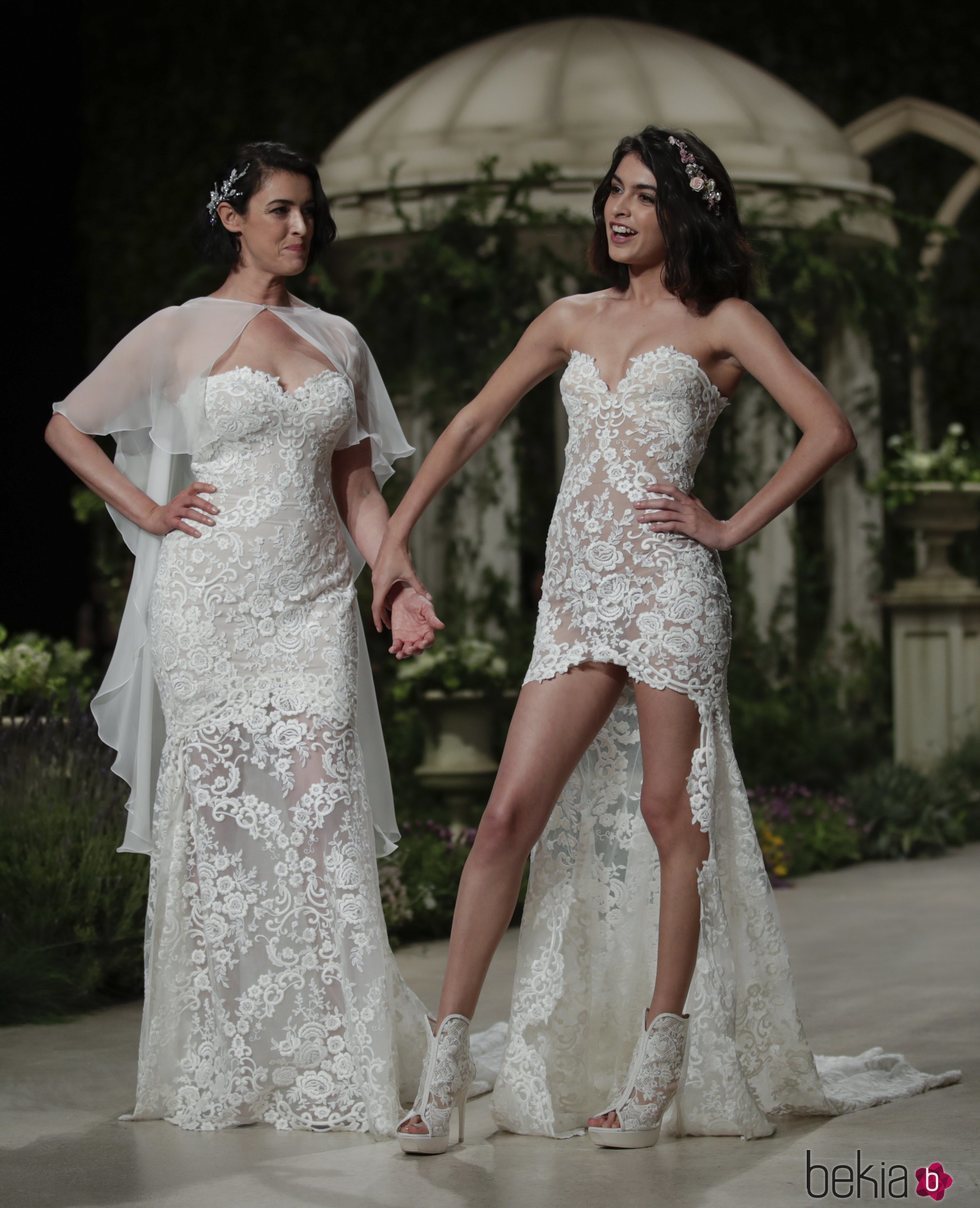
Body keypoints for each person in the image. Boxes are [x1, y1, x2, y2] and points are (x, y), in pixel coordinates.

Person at [371, 126, 961, 1153]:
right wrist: (394, 541)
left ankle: (655, 1062)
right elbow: (466, 424)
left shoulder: (720, 320)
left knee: (665, 810)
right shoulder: (567, 316)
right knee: (506, 814)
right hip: (576, 594)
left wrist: (727, 524)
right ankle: (442, 1075)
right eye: (611, 191)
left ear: (681, 213)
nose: (617, 207)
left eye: (640, 195)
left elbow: (827, 427)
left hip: (669, 588)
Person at [45, 142, 444, 1133]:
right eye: (279, 210)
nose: (300, 227)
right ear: (230, 216)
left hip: (310, 601)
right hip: (207, 602)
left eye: (310, 211)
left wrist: (393, 576)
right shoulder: (180, 330)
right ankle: (229, 1056)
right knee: (221, 828)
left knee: (319, 815)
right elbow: (65, 424)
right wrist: (146, 506)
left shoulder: (340, 340)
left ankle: (338, 1055)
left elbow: (355, 483)